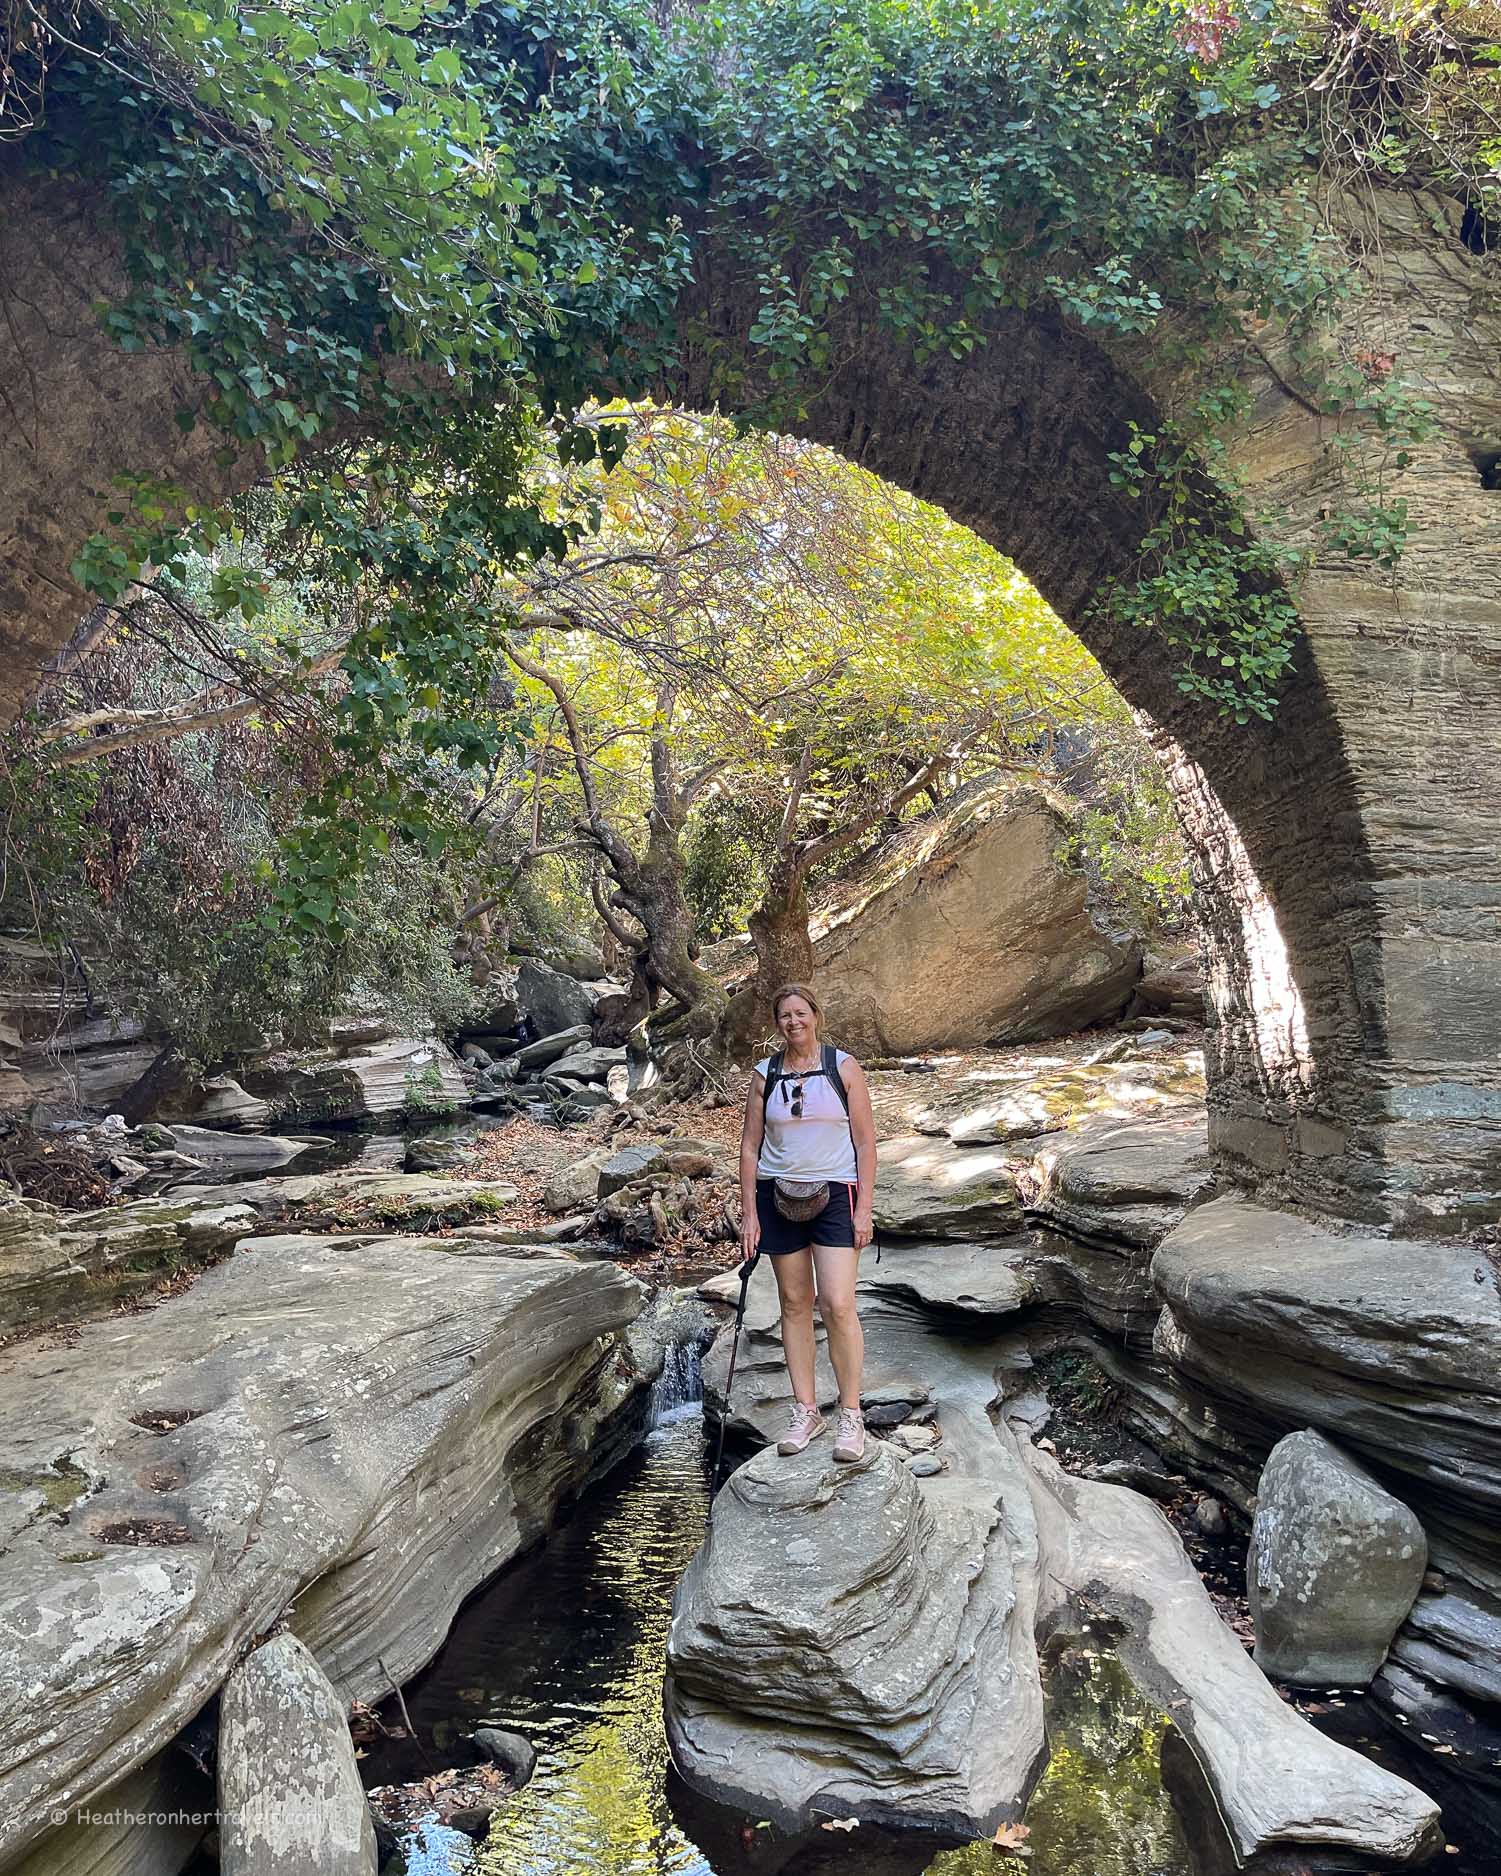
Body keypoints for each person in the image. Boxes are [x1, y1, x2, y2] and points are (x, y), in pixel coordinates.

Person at [737, 982, 877, 1463]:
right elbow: (751, 1146)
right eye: (784, 1016)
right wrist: (750, 1213)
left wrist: (864, 1208)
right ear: (776, 1024)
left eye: (800, 1013)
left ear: (815, 1015)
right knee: (794, 1302)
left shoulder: (843, 1067)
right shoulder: (765, 1075)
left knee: (838, 1303)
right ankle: (806, 1410)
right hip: (778, 1196)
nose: (793, 1022)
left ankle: (852, 1416)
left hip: (837, 1192)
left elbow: (865, 1142)